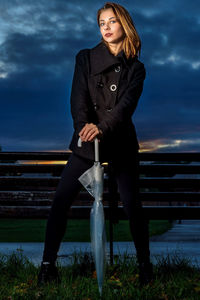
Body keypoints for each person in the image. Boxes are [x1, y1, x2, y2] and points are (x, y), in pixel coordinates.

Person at [38, 2, 153, 286]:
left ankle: (145, 267)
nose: (106, 27)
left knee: (132, 204)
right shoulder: (86, 57)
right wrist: (85, 129)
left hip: (120, 142)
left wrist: (101, 127)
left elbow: (125, 107)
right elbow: (77, 99)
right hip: (86, 143)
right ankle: (47, 267)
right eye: (102, 23)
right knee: (60, 201)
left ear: (124, 24)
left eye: (112, 21)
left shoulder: (136, 69)